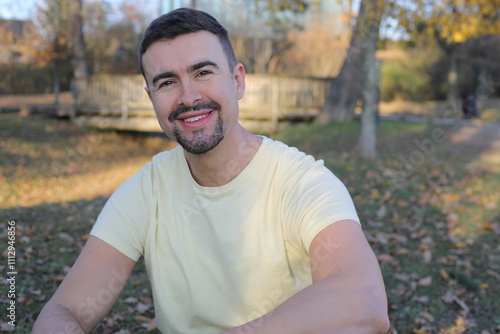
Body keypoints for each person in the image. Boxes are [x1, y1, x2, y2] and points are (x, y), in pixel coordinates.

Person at [33, 8, 390, 334]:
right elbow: (65, 310)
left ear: (237, 81)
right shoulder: (147, 190)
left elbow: (365, 301)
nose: (188, 97)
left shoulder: (302, 181)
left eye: (203, 72)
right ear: (151, 98)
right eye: (167, 82)